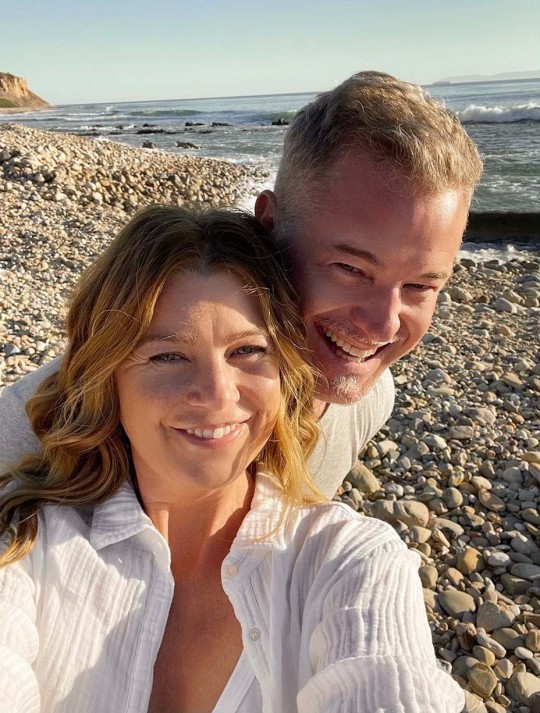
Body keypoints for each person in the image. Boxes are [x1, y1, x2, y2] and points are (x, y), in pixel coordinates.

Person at [0, 205, 465, 713]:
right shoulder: (27, 546)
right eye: (168, 356)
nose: (218, 394)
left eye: (247, 351)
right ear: (108, 380)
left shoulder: (349, 562)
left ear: (287, 371)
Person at [0, 70, 483, 496]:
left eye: (420, 287)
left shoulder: (371, 396)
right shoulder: (35, 426)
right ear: (269, 224)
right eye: (351, 269)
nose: (382, 326)